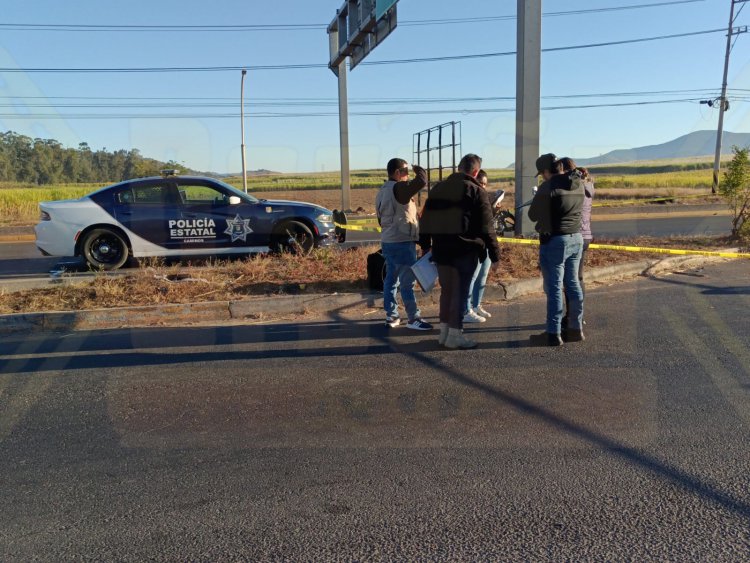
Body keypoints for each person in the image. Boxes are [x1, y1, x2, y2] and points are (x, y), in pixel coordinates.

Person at [419, 154, 501, 349]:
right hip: (465, 251)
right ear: (475, 172)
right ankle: (455, 335)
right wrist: (495, 254)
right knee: (460, 293)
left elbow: (425, 220)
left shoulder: (438, 188)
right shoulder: (476, 191)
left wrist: (425, 245)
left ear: (458, 168)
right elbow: (486, 227)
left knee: (446, 292)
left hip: (441, 250)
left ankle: (444, 333)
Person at [527, 153, 585, 346]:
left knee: (554, 288)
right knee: (573, 283)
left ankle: (553, 333)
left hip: (555, 241)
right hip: (576, 237)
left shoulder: (548, 186)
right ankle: (575, 329)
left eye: (541, 173)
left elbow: (533, 215)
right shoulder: (578, 182)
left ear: (545, 171)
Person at [375, 158, 433, 331]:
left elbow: (380, 218)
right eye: (406, 172)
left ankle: (391, 316)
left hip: (388, 241)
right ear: (398, 173)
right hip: (402, 242)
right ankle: (413, 318)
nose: (408, 176)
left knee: (391, 280)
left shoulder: (382, 190)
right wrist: (418, 169)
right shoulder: (398, 188)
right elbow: (422, 180)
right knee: (407, 283)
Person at [558, 157, 595, 335]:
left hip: (574, 234)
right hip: (586, 235)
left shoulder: (573, 187)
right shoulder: (587, 186)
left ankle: (571, 317)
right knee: (578, 279)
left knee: (569, 280)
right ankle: (578, 315)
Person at [462, 169, 494, 324]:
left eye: (485, 184)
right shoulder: (470, 197)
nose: (483, 186)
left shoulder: (484, 197)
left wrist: (494, 209)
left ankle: (476, 305)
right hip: (475, 244)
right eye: (481, 183)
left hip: (486, 243)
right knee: (472, 277)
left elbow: (487, 223)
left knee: (482, 277)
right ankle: (466, 309)